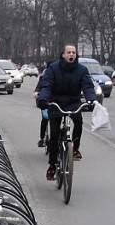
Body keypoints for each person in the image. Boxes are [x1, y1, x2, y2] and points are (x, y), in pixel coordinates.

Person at [36, 45, 97, 182]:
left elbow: (87, 86)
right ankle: (52, 165)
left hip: (73, 102)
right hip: (56, 103)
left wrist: (91, 100)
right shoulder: (53, 69)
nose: (71, 54)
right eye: (69, 52)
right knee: (55, 135)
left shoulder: (82, 70)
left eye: (74, 52)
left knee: (79, 121)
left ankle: (75, 148)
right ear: (63, 54)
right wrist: (43, 99)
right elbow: (47, 85)